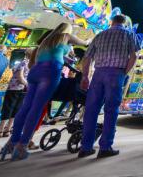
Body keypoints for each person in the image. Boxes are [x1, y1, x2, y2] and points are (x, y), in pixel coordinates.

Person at [5, 23, 86, 160]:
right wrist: (89, 41)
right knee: (36, 109)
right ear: (67, 31)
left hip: (35, 72)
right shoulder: (65, 36)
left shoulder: (45, 41)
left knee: (25, 108)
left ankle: (12, 142)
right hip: (50, 72)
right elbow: (84, 43)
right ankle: (22, 145)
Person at [79, 15, 138, 158]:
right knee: (111, 110)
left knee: (91, 110)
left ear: (112, 22)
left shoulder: (100, 34)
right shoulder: (129, 34)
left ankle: (85, 147)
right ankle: (105, 146)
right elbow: (134, 56)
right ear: (124, 23)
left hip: (99, 73)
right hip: (116, 72)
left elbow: (87, 58)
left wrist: (85, 76)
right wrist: (124, 72)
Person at [0, 49, 32, 139]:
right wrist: (28, 86)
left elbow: (20, 76)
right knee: (16, 109)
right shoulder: (33, 65)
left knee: (8, 108)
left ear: (26, 54)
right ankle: (8, 130)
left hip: (14, 88)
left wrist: (26, 84)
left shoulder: (24, 62)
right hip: (23, 90)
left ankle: (0, 131)